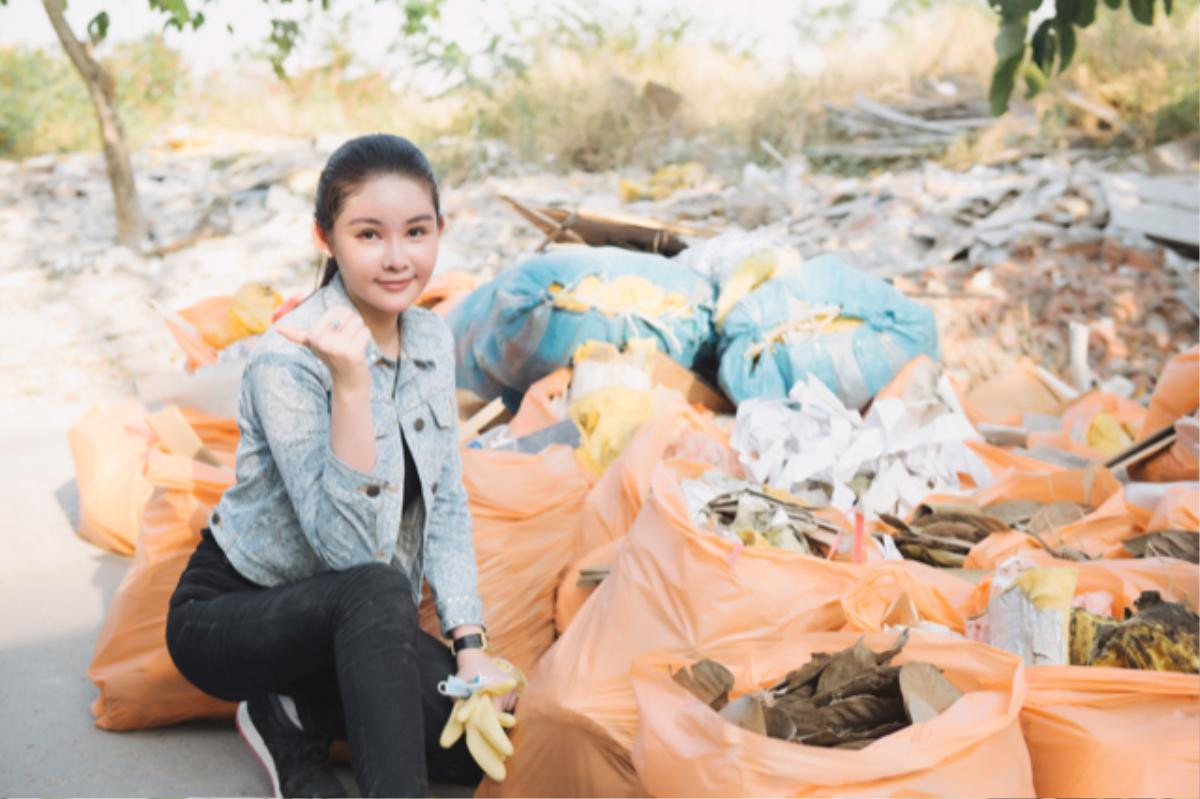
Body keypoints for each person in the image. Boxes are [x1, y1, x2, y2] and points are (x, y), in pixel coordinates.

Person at [166, 133, 514, 798]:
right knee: (378, 586)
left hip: (357, 617)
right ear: (325, 237)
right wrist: (351, 386)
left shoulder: (433, 339)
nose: (396, 258)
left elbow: (444, 502)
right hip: (235, 614)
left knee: (469, 749)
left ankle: (290, 712)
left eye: (416, 231)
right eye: (368, 234)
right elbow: (348, 552)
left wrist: (469, 640)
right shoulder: (287, 360)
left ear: (441, 228)